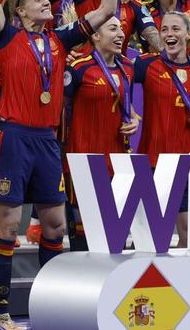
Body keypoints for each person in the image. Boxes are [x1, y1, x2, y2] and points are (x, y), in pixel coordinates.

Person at [0, 0, 119, 330]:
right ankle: (2, 312)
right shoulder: (6, 36)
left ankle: (49, 302)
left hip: (46, 141)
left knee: (56, 226)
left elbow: (107, 9)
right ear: (20, 10)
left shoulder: (59, 40)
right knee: (8, 228)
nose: (46, 1)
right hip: (13, 138)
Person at [133, 11, 190, 247]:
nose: (169, 34)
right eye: (164, 29)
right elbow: (117, 84)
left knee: (187, 232)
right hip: (152, 159)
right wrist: (132, 114)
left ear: (189, 34)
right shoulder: (145, 64)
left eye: (175, 29)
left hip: (185, 159)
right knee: (148, 235)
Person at [62, 15, 138, 250]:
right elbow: (60, 111)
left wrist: (133, 119)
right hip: (83, 158)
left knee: (113, 235)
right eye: (113, 29)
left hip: (116, 158)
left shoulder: (127, 68)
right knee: (85, 236)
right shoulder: (78, 68)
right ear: (95, 35)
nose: (121, 34)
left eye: (122, 29)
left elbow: (126, 104)